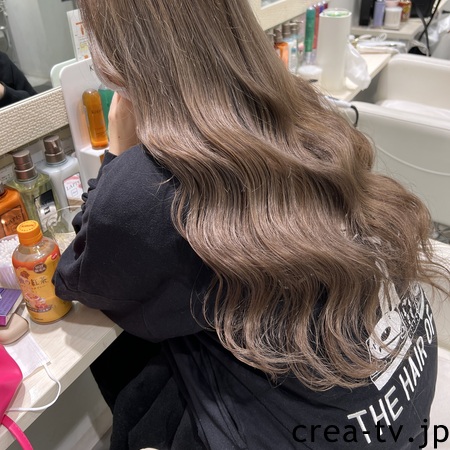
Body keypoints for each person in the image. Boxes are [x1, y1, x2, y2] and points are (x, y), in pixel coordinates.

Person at [52, 0, 448, 448]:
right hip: (407, 398)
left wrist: (116, 155)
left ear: (115, 49)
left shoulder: (151, 184)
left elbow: (80, 275)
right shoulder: (301, 104)